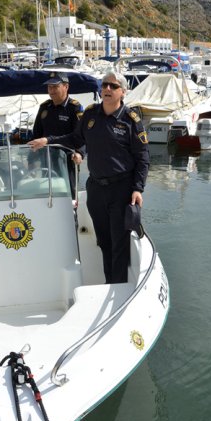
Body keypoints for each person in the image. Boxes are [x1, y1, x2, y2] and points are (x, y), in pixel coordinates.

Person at [29, 71, 149, 284]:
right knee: (103, 241)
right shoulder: (91, 114)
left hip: (121, 189)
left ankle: (118, 287)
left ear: (123, 92)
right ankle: (109, 281)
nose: (107, 90)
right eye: (104, 86)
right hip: (96, 189)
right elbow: (75, 138)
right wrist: (48, 140)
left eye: (113, 86)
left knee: (118, 243)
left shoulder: (131, 120)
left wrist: (138, 188)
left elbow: (142, 158)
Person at [31, 72, 85, 195]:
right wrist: (31, 160)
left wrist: (80, 153)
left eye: (55, 87)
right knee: (47, 194)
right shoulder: (44, 107)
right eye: (49, 87)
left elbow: (79, 136)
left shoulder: (74, 108)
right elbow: (36, 134)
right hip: (46, 159)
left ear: (66, 87)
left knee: (69, 196)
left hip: (67, 160)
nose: (51, 91)